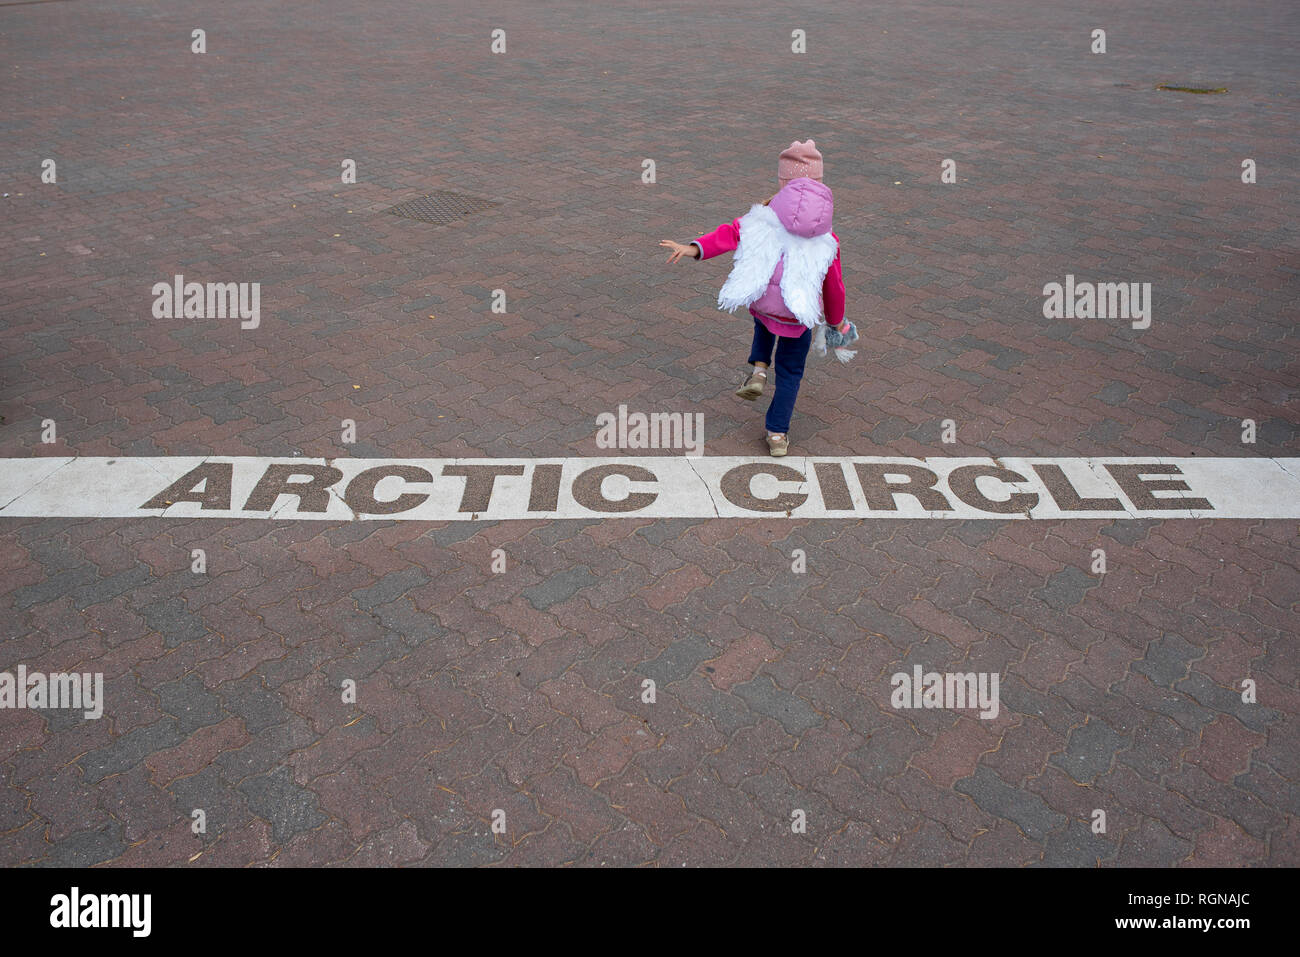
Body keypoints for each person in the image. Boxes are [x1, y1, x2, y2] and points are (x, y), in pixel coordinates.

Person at [660, 139, 851, 456]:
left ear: (783, 182)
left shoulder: (763, 215)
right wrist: (835, 322)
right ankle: (777, 434)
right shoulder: (827, 237)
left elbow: (729, 234)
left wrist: (693, 248)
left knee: (763, 316)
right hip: (798, 314)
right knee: (790, 373)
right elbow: (834, 286)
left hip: (766, 305)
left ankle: (760, 369)